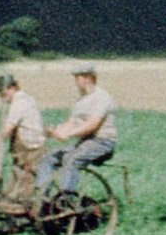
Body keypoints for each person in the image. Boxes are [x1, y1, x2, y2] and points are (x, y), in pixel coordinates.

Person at [35, 62, 116, 200]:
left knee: (72, 158)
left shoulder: (101, 97)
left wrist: (68, 134)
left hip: (102, 142)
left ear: (88, 78)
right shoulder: (81, 100)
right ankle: (41, 197)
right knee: (49, 157)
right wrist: (54, 131)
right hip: (85, 142)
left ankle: (66, 199)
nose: (75, 82)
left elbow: (92, 124)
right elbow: (71, 123)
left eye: (77, 78)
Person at [0, 74, 45, 201]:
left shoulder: (20, 103)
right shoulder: (25, 99)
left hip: (31, 150)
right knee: (13, 191)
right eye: (0, 93)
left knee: (26, 193)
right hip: (24, 152)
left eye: (3, 93)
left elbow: (5, 132)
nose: (2, 97)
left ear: (12, 88)